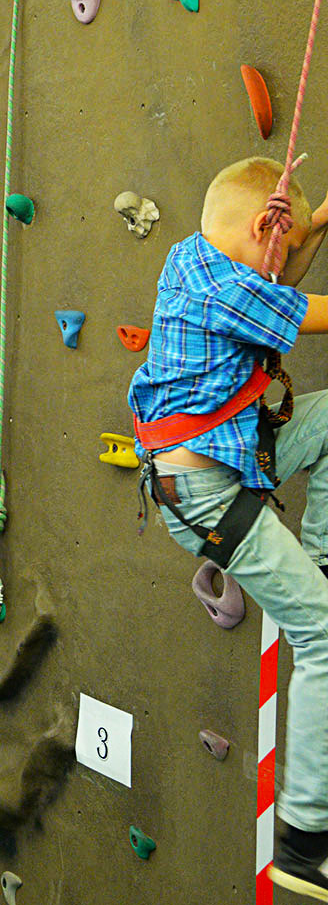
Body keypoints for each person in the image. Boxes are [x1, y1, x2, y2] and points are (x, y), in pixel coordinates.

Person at [129, 156, 328, 900]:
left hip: (229, 453)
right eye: (282, 243)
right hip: (206, 490)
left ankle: (322, 564)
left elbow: (275, 276)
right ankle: (307, 842)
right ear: (259, 231)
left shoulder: (197, 258)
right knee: (325, 636)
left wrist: (308, 226)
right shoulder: (226, 286)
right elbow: (304, 309)